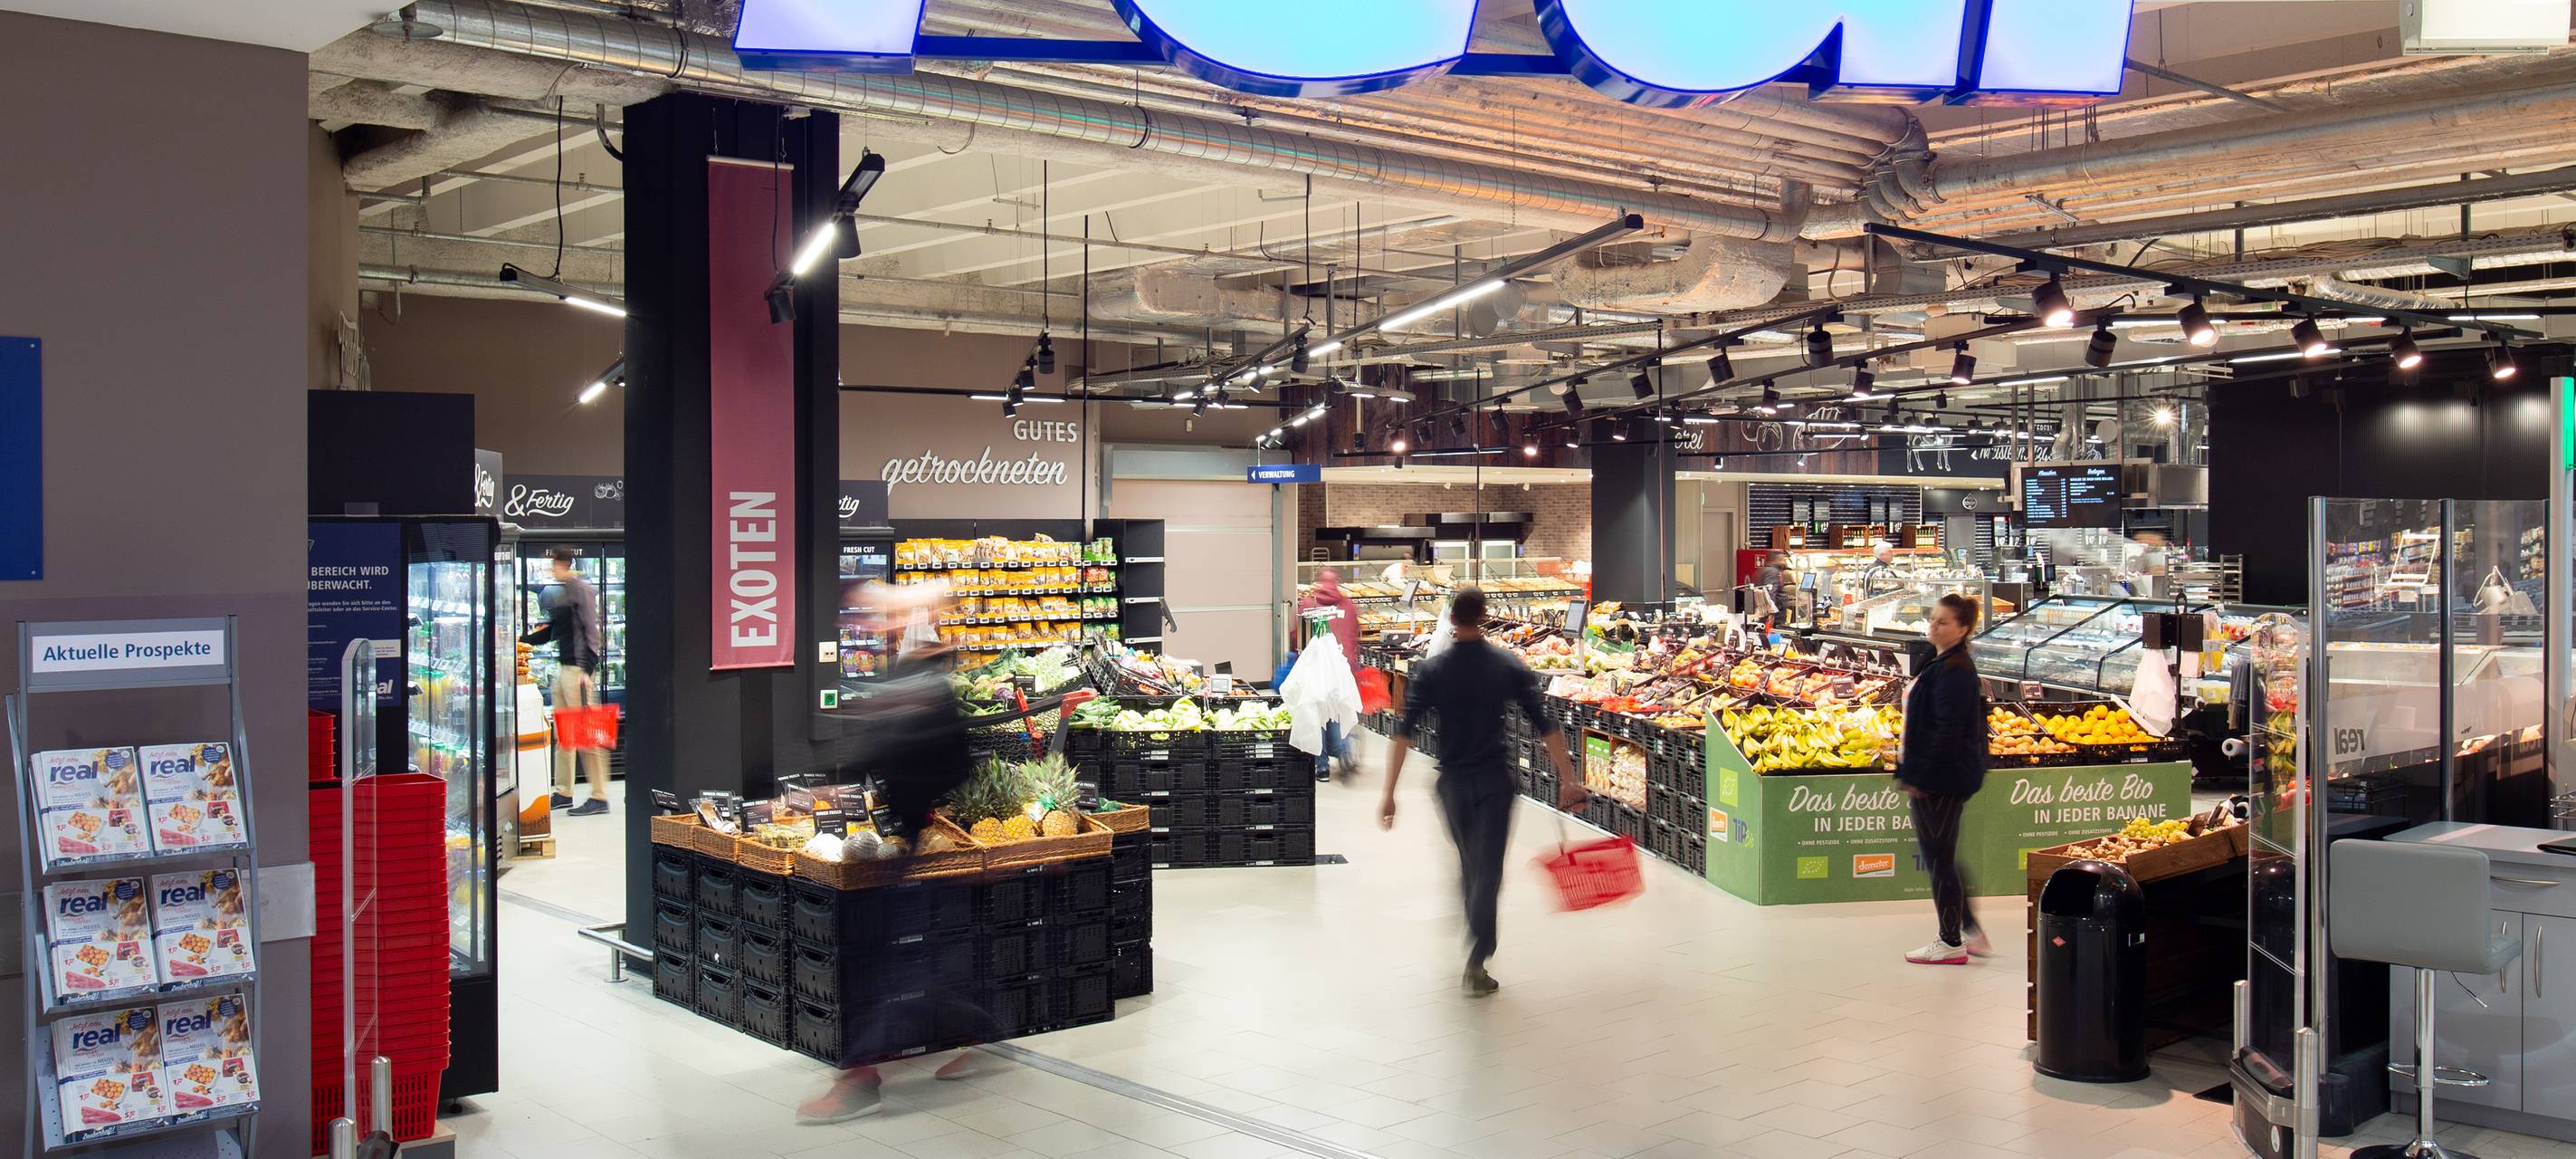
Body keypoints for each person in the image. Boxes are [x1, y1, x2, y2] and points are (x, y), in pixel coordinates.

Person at [799, 580, 984, 1124]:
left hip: (915, 843)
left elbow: (955, 763)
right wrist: (845, 784)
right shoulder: (901, 675)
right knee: (907, 956)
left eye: (881, 617)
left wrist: (915, 811)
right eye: (869, 617)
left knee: (886, 959)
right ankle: (978, 1028)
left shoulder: (929, 683)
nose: (870, 626)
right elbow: (881, 743)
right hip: (901, 840)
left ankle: (860, 1078)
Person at [1379, 586, 1584, 996]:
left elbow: (1404, 734)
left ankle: (1476, 932)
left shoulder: (1433, 670)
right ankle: (1478, 953)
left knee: (1470, 861)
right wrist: (1568, 777)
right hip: (1493, 781)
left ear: (1452, 619)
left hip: (1452, 783)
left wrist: (1389, 793)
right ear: (1485, 617)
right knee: (1487, 867)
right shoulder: (1505, 664)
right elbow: (1545, 724)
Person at [1895, 592, 1991, 965]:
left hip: (1941, 778)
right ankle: (1968, 929)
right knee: (1941, 855)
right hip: (1936, 774)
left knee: (1939, 859)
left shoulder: (1955, 672)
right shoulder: (1942, 663)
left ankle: (1951, 940)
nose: (1933, 626)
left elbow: (1947, 732)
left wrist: (1920, 776)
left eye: (1944, 622)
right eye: (1933, 619)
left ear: (1963, 629)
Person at [520, 547, 609, 816]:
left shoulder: (580, 590)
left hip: (578, 672)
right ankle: (564, 791)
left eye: (553, 564)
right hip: (564, 670)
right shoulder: (562, 592)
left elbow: (593, 631)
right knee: (565, 734)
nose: (550, 569)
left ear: (563, 564)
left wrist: (588, 669)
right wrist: (523, 640)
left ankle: (599, 796)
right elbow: (553, 631)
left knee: (586, 735)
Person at [1297, 567, 1362, 781]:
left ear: (1318, 582)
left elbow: (1296, 637)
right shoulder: (1348, 605)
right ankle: (1343, 751)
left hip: (1315, 671)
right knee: (1339, 710)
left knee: (1318, 717)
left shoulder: (1308, 604)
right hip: (1342, 669)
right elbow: (1355, 635)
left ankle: (1322, 766)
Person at [1751, 551, 1789, 622]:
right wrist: (1771, 612)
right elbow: (1770, 591)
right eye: (1782, 559)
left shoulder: (1767, 570)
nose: (1784, 563)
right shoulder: (1772, 572)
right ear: (1777, 560)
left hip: (1770, 612)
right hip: (1776, 614)